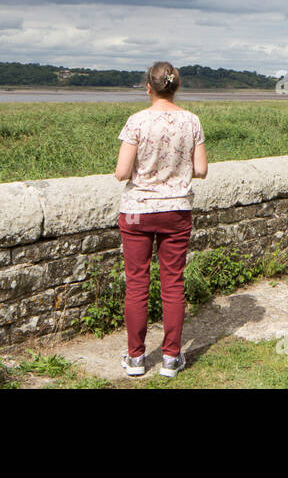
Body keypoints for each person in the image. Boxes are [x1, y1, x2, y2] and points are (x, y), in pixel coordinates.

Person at [113, 61, 207, 378]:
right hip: (176, 209)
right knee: (173, 284)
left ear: (148, 87)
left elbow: (122, 173)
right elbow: (202, 169)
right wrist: (176, 170)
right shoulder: (191, 121)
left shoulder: (137, 121)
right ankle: (170, 357)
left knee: (137, 284)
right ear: (176, 86)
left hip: (138, 209)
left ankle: (136, 358)